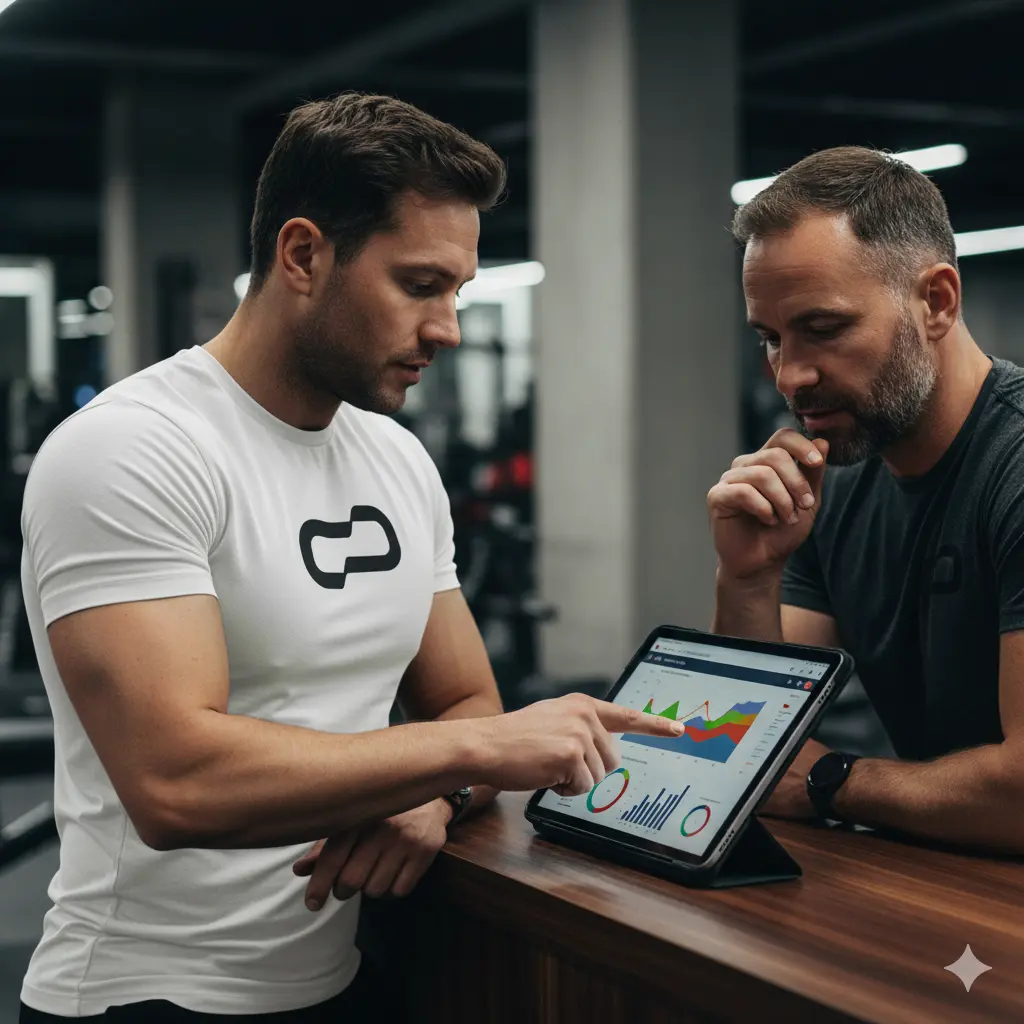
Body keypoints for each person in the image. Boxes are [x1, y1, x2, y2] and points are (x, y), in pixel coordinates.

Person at [18, 93, 682, 1022]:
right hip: (151, 995)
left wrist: (435, 795)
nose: (448, 326)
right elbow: (176, 781)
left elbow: (463, 697)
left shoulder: (395, 459)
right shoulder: (134, 447)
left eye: (458, 291)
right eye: (420, 285)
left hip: (341, 976)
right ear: (303, 255)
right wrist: (468, 753)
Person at [707, 146, 1024, 854]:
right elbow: (745, 738)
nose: (790, 375)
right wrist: (748, 579)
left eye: (823, 329)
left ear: (936, 301)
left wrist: (833, 780)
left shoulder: (1015, 470)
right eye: (770, 338)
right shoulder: (836, 481)